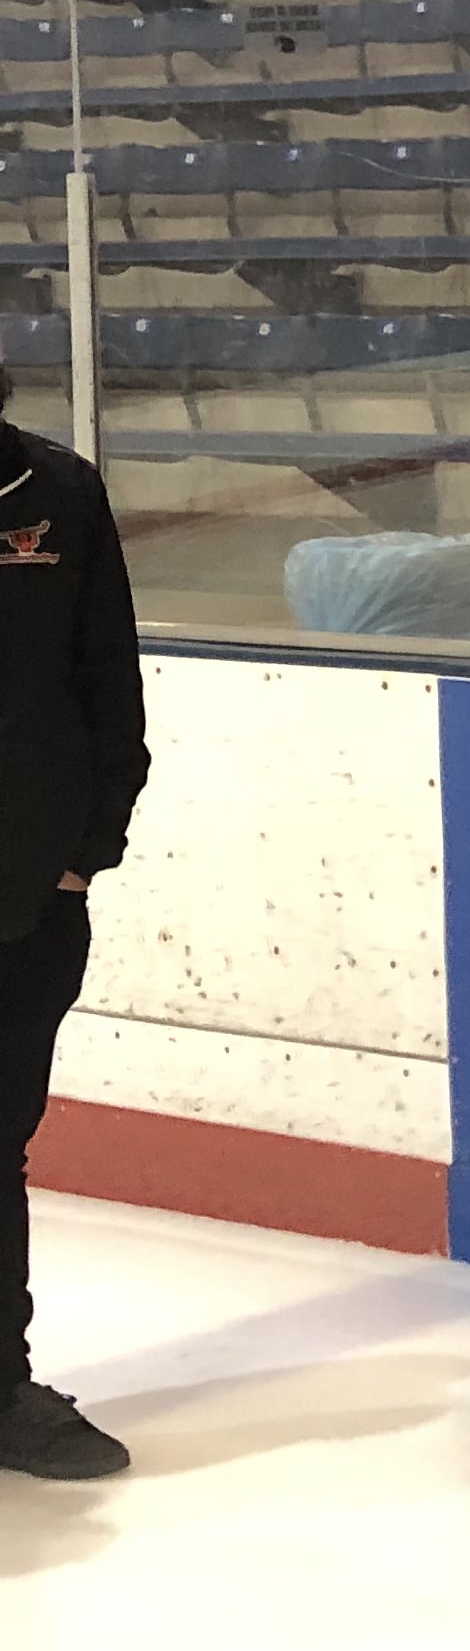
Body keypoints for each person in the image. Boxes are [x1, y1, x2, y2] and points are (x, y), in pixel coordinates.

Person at [0, 354, 149, 1484]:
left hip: (24, 894)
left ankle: (0, 1389)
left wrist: (81, 855)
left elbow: (110, 689)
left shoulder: (56, 492)